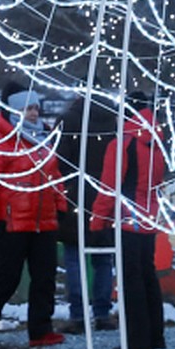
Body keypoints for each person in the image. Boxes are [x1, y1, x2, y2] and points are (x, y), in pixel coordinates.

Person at [0, 84, 68, 349]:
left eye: (36, 107)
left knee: (45, 277)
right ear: (14, 110)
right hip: (13, 221)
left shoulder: (44, 138)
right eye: (28, 108)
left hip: (44, 219)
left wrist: (60, 204)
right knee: (7, 277)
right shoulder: (0, 141)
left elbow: (54, 176)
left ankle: (40, 330)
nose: (34, 113)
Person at [90, 91, 167, 349]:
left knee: (130, 279)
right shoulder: (155, 140)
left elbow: (109, 187)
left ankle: (137, 341)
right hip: (149, 218)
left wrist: (97, 221)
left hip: (127, 219)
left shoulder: (123, 143)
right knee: (147, 274)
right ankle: (155, 335)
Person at [56, 94, 118, 333]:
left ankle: (79, 316)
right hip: (106, 197)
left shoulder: (69, 120)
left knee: (75, 257)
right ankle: (102, 313)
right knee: (103, 258)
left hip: (76, 197)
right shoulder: (113, 121)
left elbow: (59, 161)